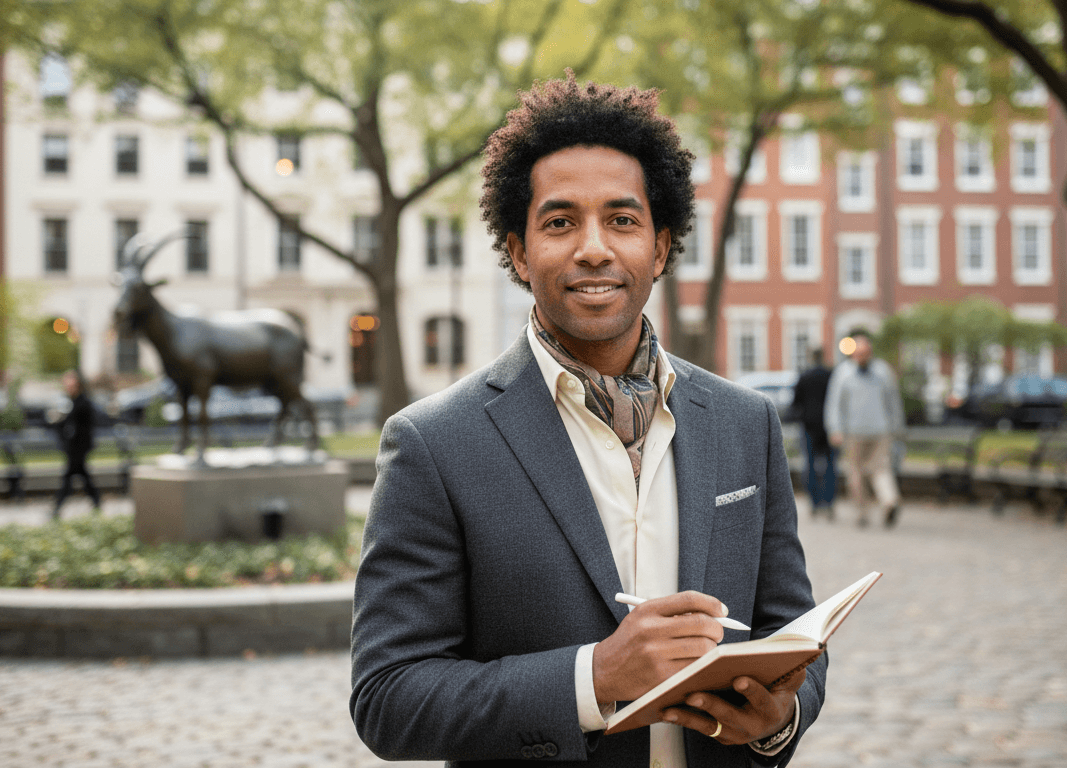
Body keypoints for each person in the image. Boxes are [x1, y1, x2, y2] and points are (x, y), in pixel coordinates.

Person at [350, 74, 825, 767]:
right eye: (561, 221)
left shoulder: (743, 422)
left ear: (660, 248)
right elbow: (388, 699)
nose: (594, 248)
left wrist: (780, 721)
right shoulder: (434, 444)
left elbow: (794, 635)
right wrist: (595, 676)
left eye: (623, 220)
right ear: (518, 251)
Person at [824, 331, 904, 528]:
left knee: (874, 469)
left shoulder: (878, 372)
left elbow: (893, 401)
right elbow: (835, 404)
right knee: (861, 472)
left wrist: (896, 426)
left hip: (878, 430)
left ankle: (886, 503)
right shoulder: (846, 373)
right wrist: (835, 428)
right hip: (855, 432)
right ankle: (869, 508)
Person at [791, 350, 835, 520]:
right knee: (830, 466)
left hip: (809, 426)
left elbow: (796, 403)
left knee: (809, 465)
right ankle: (829, 502)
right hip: (829, 427)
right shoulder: (830, 375)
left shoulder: (804, 376)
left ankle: (814, 503)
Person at [51, 370, 101, 519]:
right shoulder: (73, 402)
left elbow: (81, 428)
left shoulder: (82, 403)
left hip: (79, 448)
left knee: (70, 478)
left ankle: (57, 507)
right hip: (75, 448)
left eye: (70, 384)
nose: (67, 387)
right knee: (83, 477)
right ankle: (96, 503)